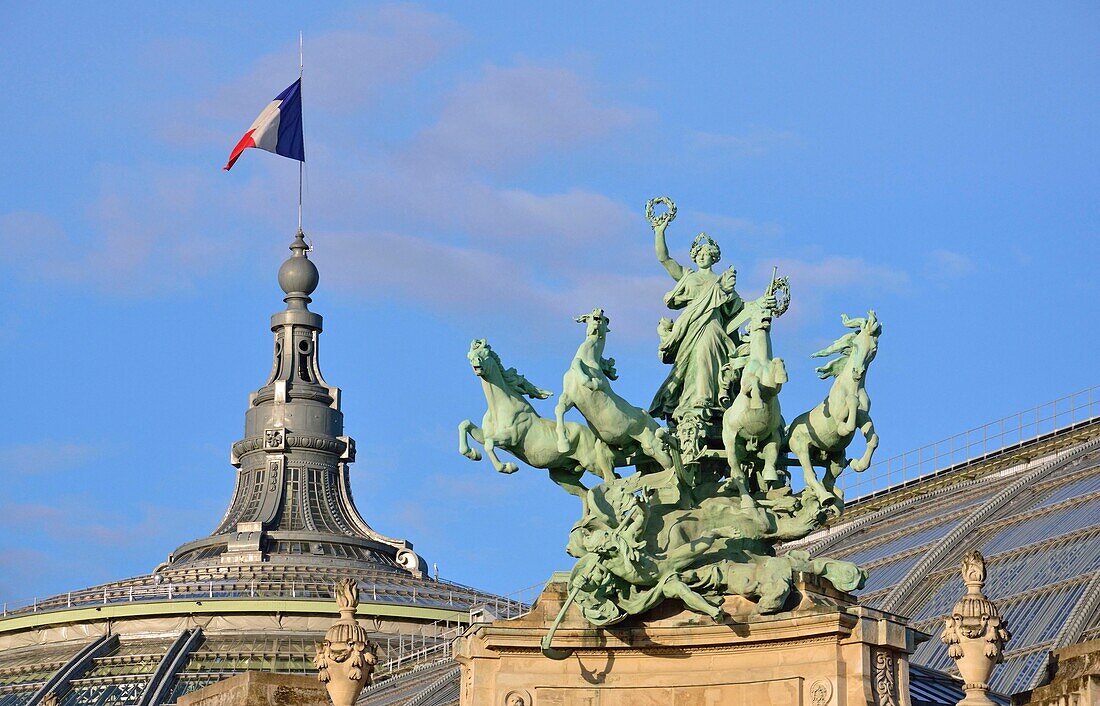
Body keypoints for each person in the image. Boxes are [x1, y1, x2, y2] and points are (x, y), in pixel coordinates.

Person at [648, 219, 745, 427]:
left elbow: (738, 310)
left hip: (712, 326)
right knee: (686, 366)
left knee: (704, 355)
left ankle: (705, 398)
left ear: (714, 257)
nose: (702, 257)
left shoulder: (722, 281)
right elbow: (663, 258)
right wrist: (659, 231)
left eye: (706, 254)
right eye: (698, 254)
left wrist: (761, 302)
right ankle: (689, 400)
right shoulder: (687, 276)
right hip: (690, 328)